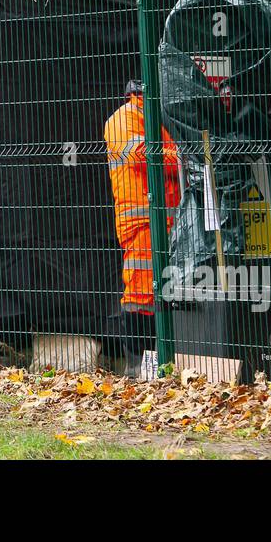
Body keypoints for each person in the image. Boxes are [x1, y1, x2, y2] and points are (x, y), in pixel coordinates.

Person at [104, 77, 180, 372]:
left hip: (164, 220)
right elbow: (144, 156)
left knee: (159, 293)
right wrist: (183, 157)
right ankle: (139, 366)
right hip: (142, 221)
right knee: (142, 293)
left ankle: (155, 365)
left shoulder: (157, 118)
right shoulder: (124, 118)